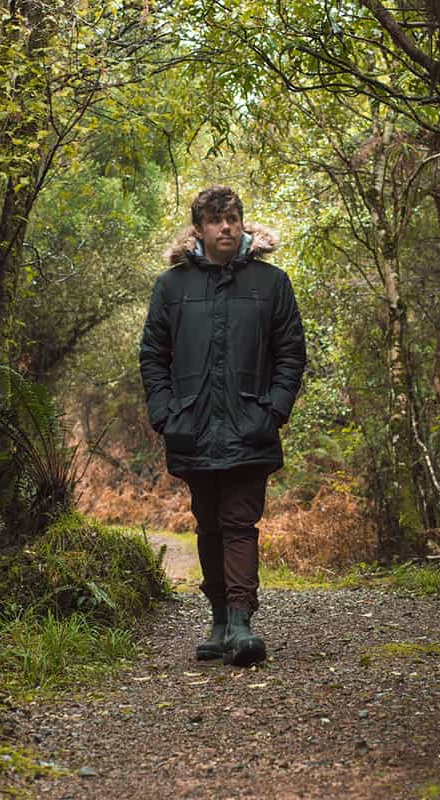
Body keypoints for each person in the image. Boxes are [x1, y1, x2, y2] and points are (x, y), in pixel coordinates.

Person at [139, 185, 306, 666]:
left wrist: (273, 410)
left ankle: (240, 622)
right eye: (215, 220)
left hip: (250, 423)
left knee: (239, 522)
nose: (225, 227)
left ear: (242, 223)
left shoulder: (272, 283)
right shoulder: (172, 287)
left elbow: (291, 353)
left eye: (232, 218)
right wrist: (166, 413)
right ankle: (217, 621)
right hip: (192, 425)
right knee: (209, 524)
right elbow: (153, 355)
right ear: (199, 229)